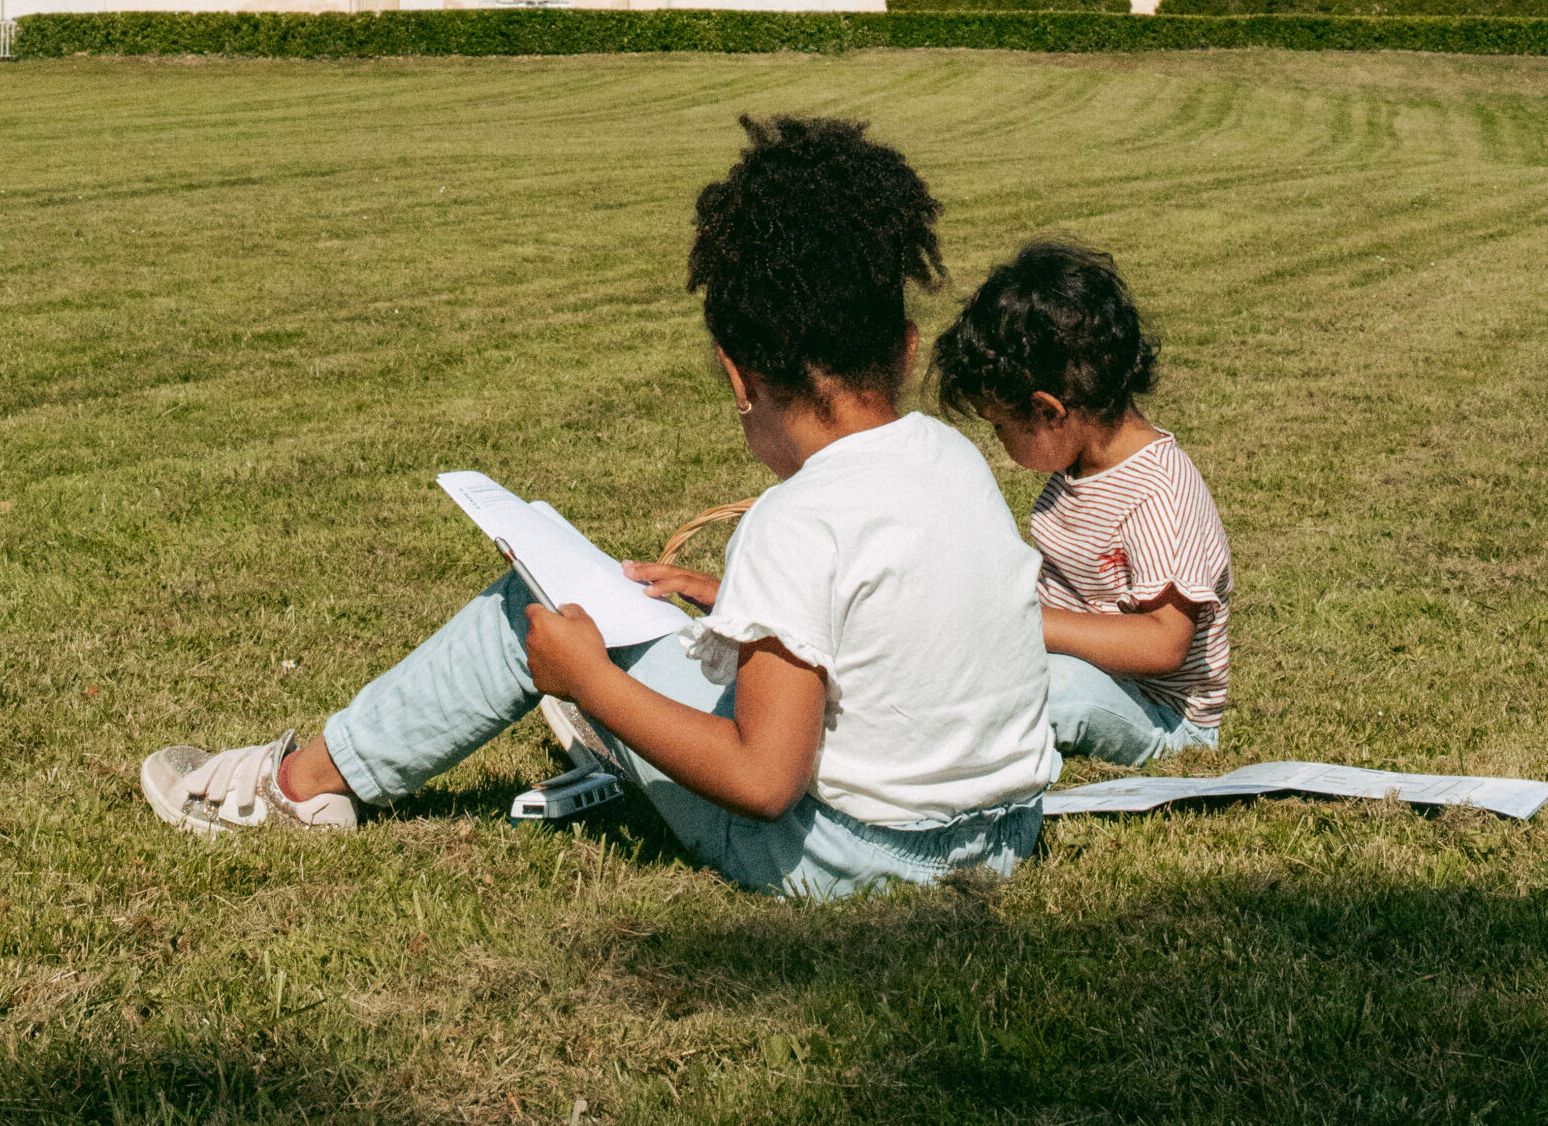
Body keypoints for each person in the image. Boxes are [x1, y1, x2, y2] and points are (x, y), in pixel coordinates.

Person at [140, 116, 1059, 899]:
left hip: (844, 861)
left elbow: (765, 779)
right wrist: (718, 592)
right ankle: (593, 725)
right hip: (999, 840)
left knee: (534, 615)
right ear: (904, 349)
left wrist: (591, 680)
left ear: (739, 376)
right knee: (642, 646)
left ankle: (298, 786)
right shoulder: (953, 460)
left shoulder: (797, 519)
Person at [932, 239, 1230, 767]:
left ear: (1048, 411)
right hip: (1082, 670)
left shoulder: (1157, 494)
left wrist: (1031, 623)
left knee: (1053, 688)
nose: (999, 441)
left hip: (1161, 716)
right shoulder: (1079, 469)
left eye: (1001, 425)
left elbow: (1163, 645)